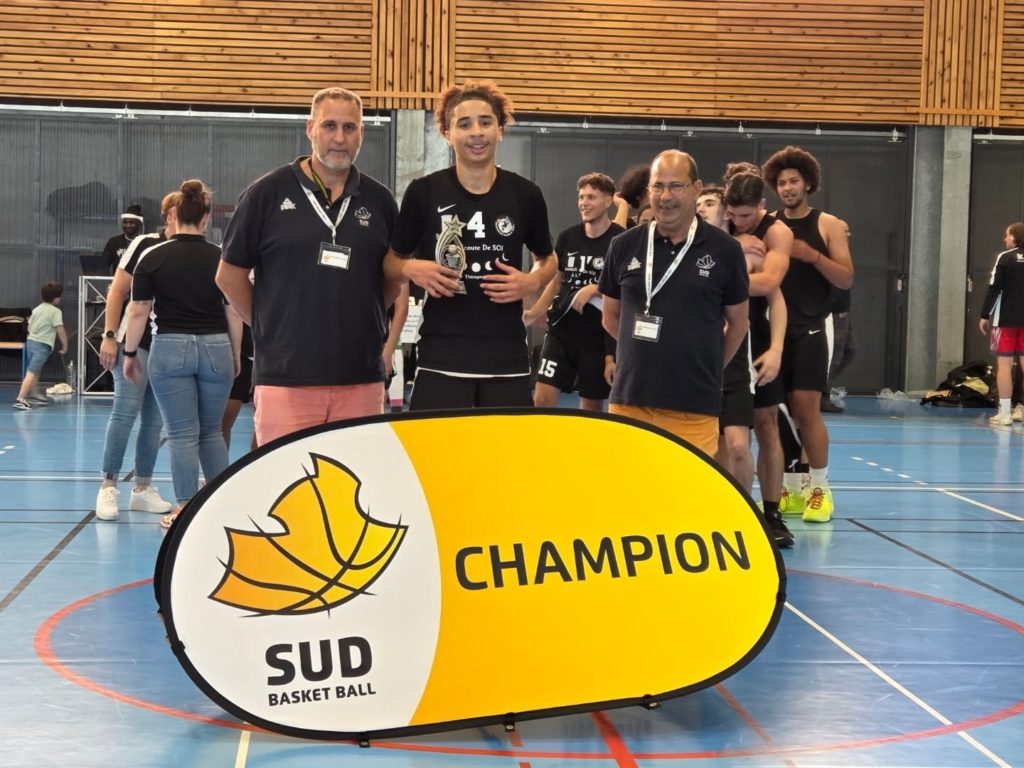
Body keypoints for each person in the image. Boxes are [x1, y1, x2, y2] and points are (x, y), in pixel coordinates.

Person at [216, 87, 399, 446]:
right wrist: (271, 324)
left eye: (350, 128)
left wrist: (365, 316)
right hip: (286, 377)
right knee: (289, 479)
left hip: (360, 377)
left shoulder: (381, 201)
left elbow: (392, 280)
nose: (340, 138)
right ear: (310, 128)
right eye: (330, 126)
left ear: (362, 133)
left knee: (355, 478)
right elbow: (229, 275)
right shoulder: (266, 194)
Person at [384, 80, 557, 410]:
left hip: (506, 360)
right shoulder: (424, 192)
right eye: (464, 124)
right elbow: (390, 263)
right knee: (436, 446)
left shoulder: (525, 194)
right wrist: (412, 268)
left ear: (500, 130)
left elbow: (548, 258)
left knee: (506, 446)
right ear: (447, 133)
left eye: (485, 122)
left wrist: (532, 281)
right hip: (441, 359)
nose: (476, 132)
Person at [598, 150, 749, 457]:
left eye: (676, 186)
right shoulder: (623, 245)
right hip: (631, 400)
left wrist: (709, 364)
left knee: (685, 487)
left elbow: (738, 323)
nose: (665, 196)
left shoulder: (726, 250)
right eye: (658, 186)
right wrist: (642, 353)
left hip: (693, 405)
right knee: (630, 485)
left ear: (696, 189)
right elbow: (610, 316)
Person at [123, 180, 241, 527]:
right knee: (211, 432)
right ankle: (221, 505)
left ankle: (186, 509)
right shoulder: (222, 257)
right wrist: (235, 354)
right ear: (206, 218)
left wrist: (129, 352)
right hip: (217, 347)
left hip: (170, 348)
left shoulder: (152, 256)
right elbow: (234, 311)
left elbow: (138, 310)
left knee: (181, 433)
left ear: (173, 216)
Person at [763, 146, 854, 523]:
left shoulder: (827, 224)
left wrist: (812, 255)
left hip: (814, 326)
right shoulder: (769, 224)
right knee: (778, 411)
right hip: (774, 329)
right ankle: (790, 485)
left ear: (808, 183)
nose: (787, 188)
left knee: (806, 409)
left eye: (793, 181)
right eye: (781, 183)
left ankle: (820, 488)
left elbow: (846, 278)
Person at [94, 192, 179, 521]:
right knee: (125, 412)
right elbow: (117, 290)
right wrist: (109, 335)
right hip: (134, 342)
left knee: (154, 422)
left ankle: (142, 488)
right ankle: (108, 485)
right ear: (168, 215)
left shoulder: (190, 249)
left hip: (166, 346)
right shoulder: (144, 244)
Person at [721, 168, 794, 548]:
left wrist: (776, 349)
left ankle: (772, 513)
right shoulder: (721, 230)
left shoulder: (776, 232)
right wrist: (735, 249)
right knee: (724, 434)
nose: (738, 221)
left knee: (766, 424)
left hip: (760, 334)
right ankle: (727, 509)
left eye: (746, 215)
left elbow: (770, 285)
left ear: (762, 206)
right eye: (732, 214)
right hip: (721, 334)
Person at [526, 172, 623, 411]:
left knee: (591, 408)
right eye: (581, 197)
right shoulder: (568, 237)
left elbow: (626, 289)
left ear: (608, 201)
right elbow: (556, 282)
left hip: (598, 338)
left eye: (591, 197)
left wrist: (596, 288)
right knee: (542, 399)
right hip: (562, 332)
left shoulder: (621, 240)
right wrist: (536, 311)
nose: (584, 203)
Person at [979, 221, 1024, 426]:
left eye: (1007, 235)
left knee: (1004, 366)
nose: (1004, 239)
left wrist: (984, 315)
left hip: (1005, 321)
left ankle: (1005, 413)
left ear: (1014, 237)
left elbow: (995, 288)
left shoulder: (1005, 257)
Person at [12, 281, 68, 410]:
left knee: (35, 370)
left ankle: (34, 394)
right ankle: (20, 399)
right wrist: (65, 345)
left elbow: (29, 327)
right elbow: (60, 330)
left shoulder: (37, 309)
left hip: (30, 343)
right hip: (42, 347)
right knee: (31, 372)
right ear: (56, 298)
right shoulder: (56, 312)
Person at [822, 219, 857, 413]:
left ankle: (821, 388)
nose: (848, 234)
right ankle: (822, 395)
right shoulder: (827, 256)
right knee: (833, 356)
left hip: (844, 309)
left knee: (851, 350)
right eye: (844, 231)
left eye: (848, 231)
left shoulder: (843, 256)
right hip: (832, 311)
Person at [102, 204, 144, 275]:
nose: (128, 225)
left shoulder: (146, 242)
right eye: (125, 223)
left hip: (139, 281)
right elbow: (103, 266)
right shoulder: (114, 242)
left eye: (131, 223)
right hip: (119, 281)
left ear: (139, 223)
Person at [612, 164, 650, 229]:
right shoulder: (628, 224)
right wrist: (623, 205)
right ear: (638, 195)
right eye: (651, 188)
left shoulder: (666, 221)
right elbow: (617, 234)